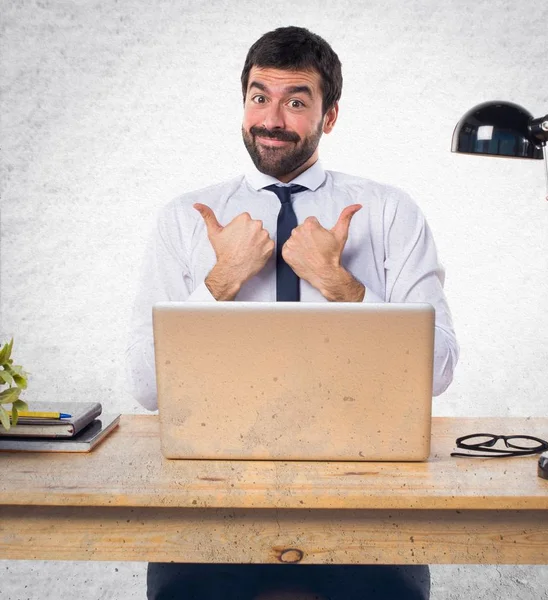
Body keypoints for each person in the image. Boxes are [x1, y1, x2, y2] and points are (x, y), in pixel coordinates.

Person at [127, 25, 458, 600]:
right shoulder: (183, 219)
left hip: (365, 497)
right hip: (214, 495)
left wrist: (338, 283)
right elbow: (145, 387)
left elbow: (442, 369)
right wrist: (223, 279)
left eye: (296, 101)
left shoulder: (390, 212)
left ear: (329, 117)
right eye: (260, 97)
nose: (272, 118)